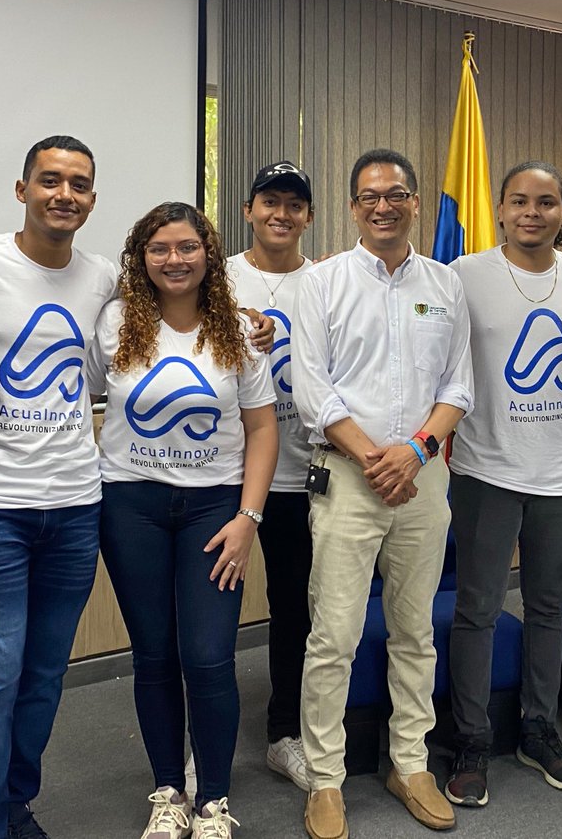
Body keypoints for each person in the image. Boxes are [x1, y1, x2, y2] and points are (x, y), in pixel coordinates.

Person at [292, 149, 473, 839]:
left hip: (424, 479)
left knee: (414, 632)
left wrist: (416, 451)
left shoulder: (445, 284)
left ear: (416, 201)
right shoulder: (324, 282)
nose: (383, 206)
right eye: (369, 197)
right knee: (333, 636)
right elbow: (312, 389)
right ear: (353, 208)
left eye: (396, 194)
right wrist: (376, 458)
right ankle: (327, 778)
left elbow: (459, 386)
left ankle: (409, 762)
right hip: (348, 479)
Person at [0, 136, 118, 839]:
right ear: (22, 190)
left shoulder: (102, 275)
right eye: (49, 181)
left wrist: (258, 320)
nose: (63, 194)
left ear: (92, 201)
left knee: (43, 678)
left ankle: (14, 804)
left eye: (77, 184)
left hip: (76, 505)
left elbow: (184, 297)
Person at [90, 202, 278, 839]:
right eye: (159, 248)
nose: (174, 259)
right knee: (153, 655)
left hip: (213, 509)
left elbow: (261, 427)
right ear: (140, 257)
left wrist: (249, 516)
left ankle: (215, 802)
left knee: (208, 657)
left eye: (188, 247)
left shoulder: (239, 329)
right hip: (130, 506)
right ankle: (168, 791)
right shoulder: (114, 323)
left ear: (209, 254)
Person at [444, 161, 562, 808]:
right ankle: (471, 739)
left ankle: (537, 729)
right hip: (485, 470)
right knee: (477, 610)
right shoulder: (464, 275)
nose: (531, 212)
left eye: (546, 202)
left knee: (546, 608)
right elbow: (442, 361)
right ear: (501, 210)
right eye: (518, 201)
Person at [226, 161, 316, 790]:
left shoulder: (330, 281)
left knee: (295, 612)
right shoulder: (217, 276)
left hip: (304, 476)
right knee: (208, 619)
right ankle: (201, 740)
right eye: (269, 202)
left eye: (293, 204)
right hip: (224, 475)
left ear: (308, 215)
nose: (280, 214)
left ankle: (284, 732)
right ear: (249, 210)